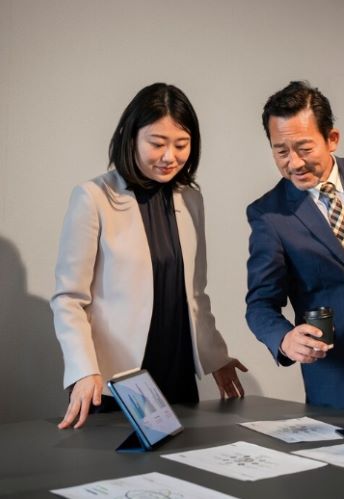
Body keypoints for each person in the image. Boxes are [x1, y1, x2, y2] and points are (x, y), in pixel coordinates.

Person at [51, 83, 246, 430]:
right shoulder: (93, 197)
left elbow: (195, 293)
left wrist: (216, 356)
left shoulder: (190, 199)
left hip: (177, 369)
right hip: (117, 378)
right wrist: (83, 370)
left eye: (181, 145)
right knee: (113, 464)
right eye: (157, 143)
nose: (170, 156)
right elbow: (69, 299)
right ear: (131, 137)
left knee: (184, 462)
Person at [245, 81, 344, 412]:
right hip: (337, 376)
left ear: (332, 138)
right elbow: (260, 304)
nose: (294, 163)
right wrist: (284, 339)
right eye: (281, 151)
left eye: (304, 148)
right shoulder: (269, 214)